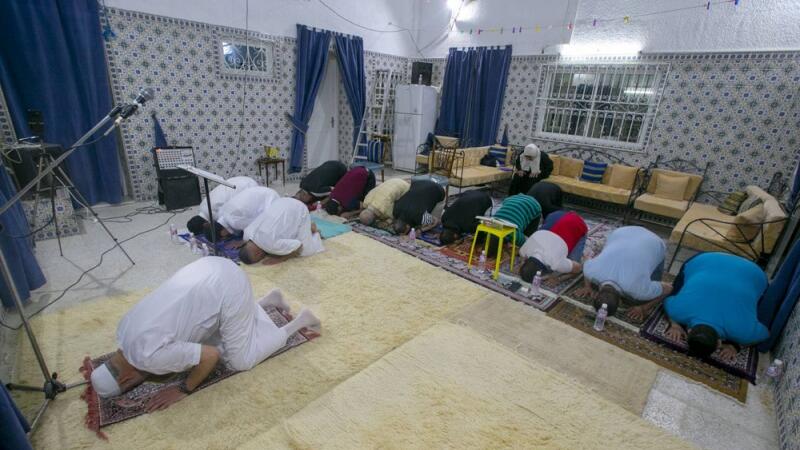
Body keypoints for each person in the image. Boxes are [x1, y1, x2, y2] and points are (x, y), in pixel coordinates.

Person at [89, 257, 321, 411]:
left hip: (229, 285)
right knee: (215, 340)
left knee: (240, 360)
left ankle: (300, 322)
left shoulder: (148, 358)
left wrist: (184, 389)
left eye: (130, 387)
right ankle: (269, 300)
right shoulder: (123, 329)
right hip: (207, 266)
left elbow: (210, 356)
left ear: (125, 379)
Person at [663, 252, 769, 363]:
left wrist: (736, 346)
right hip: (709, 258)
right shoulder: (678, 311)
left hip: (754, 272)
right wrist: (675, 324)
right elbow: (667, 301)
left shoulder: (743, 332)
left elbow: (764, 333)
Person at [576, 226, 673, 320]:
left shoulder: (638, 291)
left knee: (641, 299)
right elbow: (586, 264)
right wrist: (587, 287)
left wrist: (643, 308)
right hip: (622, 232)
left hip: (653, 242)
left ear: (620, 302)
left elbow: (669, 288)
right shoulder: (591, 272)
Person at [238, 197, 324, 265]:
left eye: (259, 258)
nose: (262, 257)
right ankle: (308, 227)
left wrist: (281, 259)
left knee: (306, 252)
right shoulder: (247, 233)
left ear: (258, 254)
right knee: (286, 235)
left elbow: (298, 245)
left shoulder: (271, 246)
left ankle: (314, 231)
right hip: (282, 201)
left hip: (299, 209)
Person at [519, 210, 588, 282]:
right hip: (555, 215)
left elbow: (578, 268)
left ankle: (576, 220)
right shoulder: (523, 251)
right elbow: (522, 260)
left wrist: (557, 278)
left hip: (576, 222)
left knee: (573, 262)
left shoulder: (556, 264)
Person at [187, 176, 258, 235]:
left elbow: (233, 222)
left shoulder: (215, 214)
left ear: (205, 225)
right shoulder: (202, 205)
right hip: (239, 179)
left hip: (248, 187)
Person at [476, 194, 542, 258]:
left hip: (533, 205)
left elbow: (525, 243)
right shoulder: (488, 226)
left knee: (528, 237)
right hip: (512, 199)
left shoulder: (515, 235)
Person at [212, 186, 280, 239]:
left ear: (222, 232)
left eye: (222, 237)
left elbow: (254, 226)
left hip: (269, 198)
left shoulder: (234, 222)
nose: (224, 238)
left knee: (268, 229)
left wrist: (243, 242)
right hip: (259, 191)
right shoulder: (221, 212)